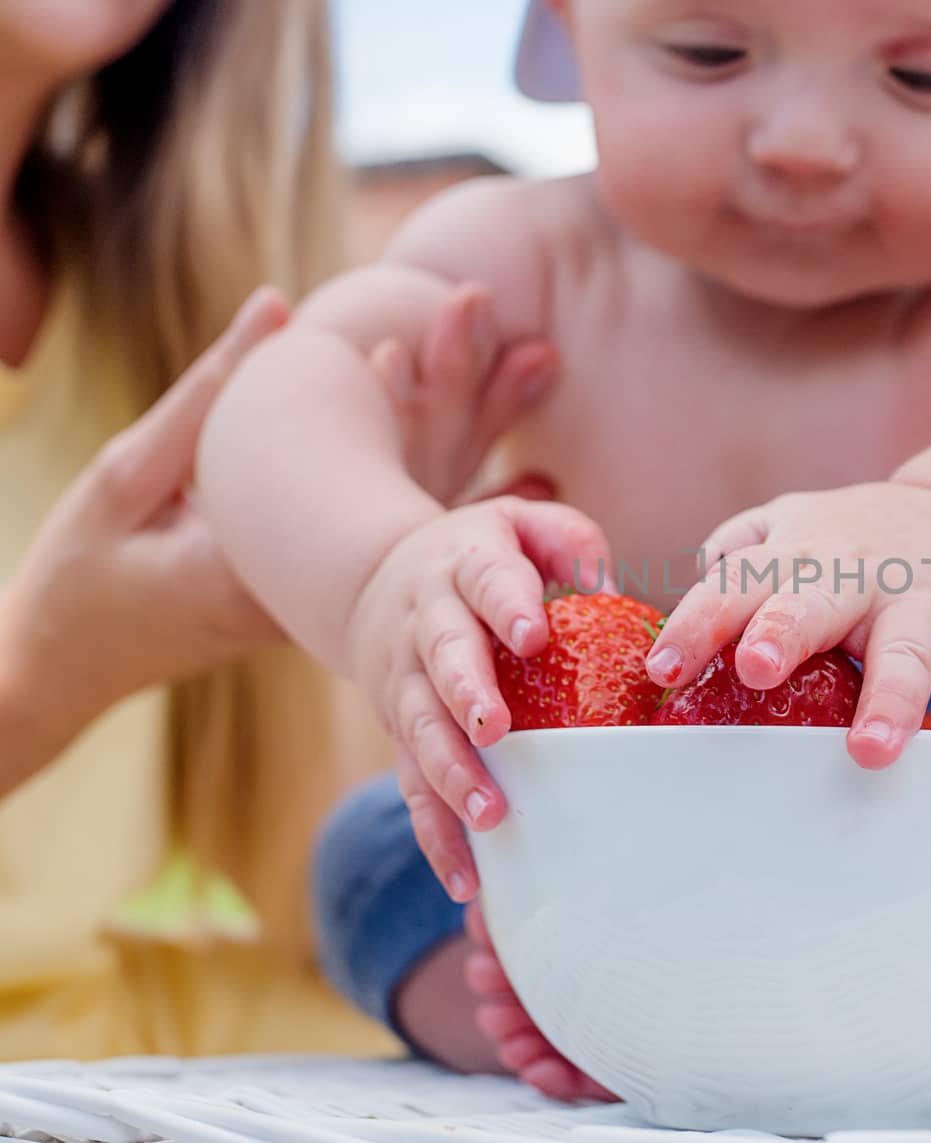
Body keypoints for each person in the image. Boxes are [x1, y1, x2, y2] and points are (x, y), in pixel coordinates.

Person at [196, 0, 931, 1098]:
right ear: (572, 26)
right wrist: (378, 572)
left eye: (922, 79)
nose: (801, 141)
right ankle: (597, 998)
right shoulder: (522, 258)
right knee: (371, 866)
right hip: (638, 878)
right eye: (708, 51)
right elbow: (283, 398)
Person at [0, 0, 553, 1058]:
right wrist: (44, 674)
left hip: (165, 1060)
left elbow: (304, 874)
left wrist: (358, 586)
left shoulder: (161, 288)